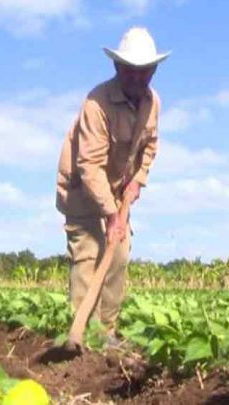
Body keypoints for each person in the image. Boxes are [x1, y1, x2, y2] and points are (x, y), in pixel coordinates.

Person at [55, 26, 170, 345]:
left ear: (154, 70)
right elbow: (89, 166)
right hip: (82, 190)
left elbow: (150, 146)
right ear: (117, 67)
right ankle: (82, 338)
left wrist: (137, 181)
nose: (137, 78)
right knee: (89, 254)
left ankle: (106, 334)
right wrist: (110, 215)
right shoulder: (96, 103)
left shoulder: (153, 102)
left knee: (118, 256)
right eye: (130, 71)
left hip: (118, 191)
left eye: (144, 71)